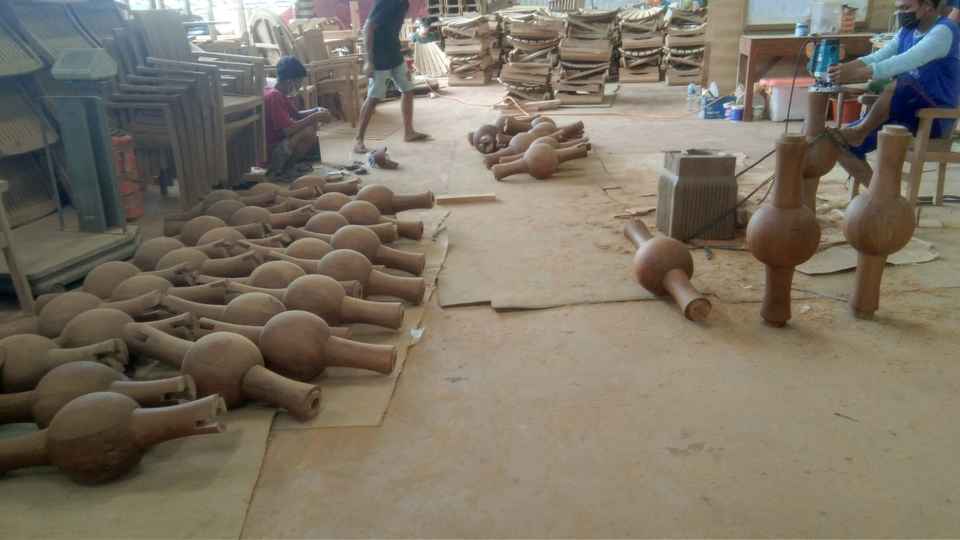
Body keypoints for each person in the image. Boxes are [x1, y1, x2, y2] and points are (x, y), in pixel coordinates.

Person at [827, 0, 960, 185]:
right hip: (905, 112)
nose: (900, 14)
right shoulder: (907, 31)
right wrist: (844, 68)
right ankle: (879, 196)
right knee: (839, 144)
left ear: (928, 6)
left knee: (901, 83)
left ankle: (860, 131)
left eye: (906, 8)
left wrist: (858, 74)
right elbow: (879, 56)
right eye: (898, 9)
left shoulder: (944, 31)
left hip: (934, 117)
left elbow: (906, 60)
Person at [354, 0, 430, 154]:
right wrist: (368, 61)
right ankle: (358, 140)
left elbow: (391, 28)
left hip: (394, 53)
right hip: (379, 56)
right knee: (374, 97)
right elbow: (368, 27)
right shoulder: (386, 1)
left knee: (408, 89)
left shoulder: (403, 3)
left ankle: (409, 132)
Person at [263, 56, 331, 178]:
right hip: (271, 152)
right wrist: (315, 116)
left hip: (277, 144)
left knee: (310, 125)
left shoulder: (277, 92)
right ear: (290, 82)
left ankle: (289, 166)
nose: (300, 86)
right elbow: (288, 130)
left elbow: (297, 114)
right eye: (299, 82)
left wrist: (316, 110)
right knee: (308, 132)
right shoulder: (274, 96)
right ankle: (283, 170)